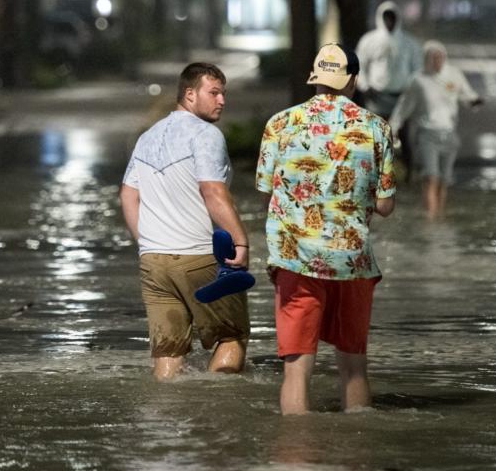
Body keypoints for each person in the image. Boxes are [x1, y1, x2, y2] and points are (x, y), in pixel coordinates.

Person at [256, 44, 396, 414]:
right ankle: (354, 452)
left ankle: (297, 456)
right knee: (353, 369)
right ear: (352, 79)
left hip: (296, 261)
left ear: (316, 77)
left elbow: (265, 190)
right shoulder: (377, 128)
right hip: (353, 262)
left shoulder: (280, 124)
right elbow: (384, 206)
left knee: (296, 372)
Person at [120, 62, 251, 380]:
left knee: (168, 351)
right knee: (231, 337)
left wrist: (148, 243)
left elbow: (127, 195)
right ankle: (216, 416)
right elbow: (212, 190)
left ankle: (165, 421)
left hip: (154, 263)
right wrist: (241, 240)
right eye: (215, 93)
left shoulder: (148, 137)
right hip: (199, 256)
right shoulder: (206, 134)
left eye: (224, 94)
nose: (222, 101)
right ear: (190, 95)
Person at [389, 40, 483, 218]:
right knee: (430, 177)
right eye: (434, 58)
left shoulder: (454, 75)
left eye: (441, 57)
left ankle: (439, 215)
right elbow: (404, 106)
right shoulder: (418, 80)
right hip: (427, 135)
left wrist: (474, 101)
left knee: (443, 181)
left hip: (449, 135)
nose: (438, 61)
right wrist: (393, 126)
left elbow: (466, 94)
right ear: (427, 59)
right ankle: (430, 219)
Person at [355, 2, 422, 164]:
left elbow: (417, 69)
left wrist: (411, 91)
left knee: (402, 134)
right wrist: (365, 86)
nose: (389, 22)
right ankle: (375, 172)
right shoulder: (368, 41)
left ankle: (407, 172)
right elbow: (358, 66)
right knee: (376, 136)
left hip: (401, 97)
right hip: (376, 96)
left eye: (392, 18)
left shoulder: (409, 43)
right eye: (386, 18)